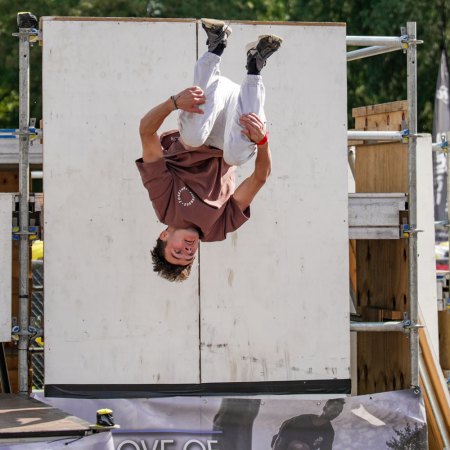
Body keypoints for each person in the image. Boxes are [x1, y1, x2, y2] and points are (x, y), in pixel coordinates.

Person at [136, 18, 282, 281]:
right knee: (236, 156)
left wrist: (173, 103)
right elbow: (259, 178)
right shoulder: (216, 228)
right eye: (188, 256)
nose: (187, 250)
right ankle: (255, 65)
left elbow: (146, 130)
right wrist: (263, 141)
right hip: (237, 115)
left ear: (164, 236)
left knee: (192, 138)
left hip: (207, 107)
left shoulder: (165, 204)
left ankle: (215, 46)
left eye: (177, 251)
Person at [271, 398, 345, 450]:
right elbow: (279, 440)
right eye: (335, 409)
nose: (337, 413)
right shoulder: (299, 421)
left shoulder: (329, 432)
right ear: (325, 408)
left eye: (339, 411)